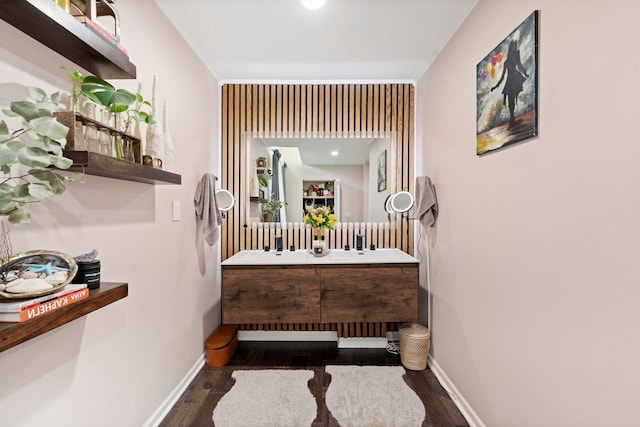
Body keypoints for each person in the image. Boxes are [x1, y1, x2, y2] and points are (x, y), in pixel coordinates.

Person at [491, 39, 529, 127]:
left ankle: (512, 120)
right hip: (513, 80)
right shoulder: (514, 57)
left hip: (510, 81)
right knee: (511, 102)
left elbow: (503, 77)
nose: (515, 48)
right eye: (515, 46)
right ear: (513, 48)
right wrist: (525, 73)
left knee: (511, 102)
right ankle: (512, 121)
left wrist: (496, 86)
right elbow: (519, 66)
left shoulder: (507, 62)